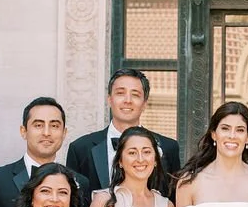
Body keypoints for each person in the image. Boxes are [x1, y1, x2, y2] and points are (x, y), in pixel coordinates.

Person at [0, 96, 91, 207]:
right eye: (38, 125)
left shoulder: (81, 183)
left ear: (64, 133)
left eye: (54, 126)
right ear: (24, 131)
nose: (46, 133)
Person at [68, 68, 181, 196]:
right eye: (120, 93)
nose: (128, 100)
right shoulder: (80, 149)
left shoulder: (168, 148)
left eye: (135, 94)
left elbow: (172, 199)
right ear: (109, 99)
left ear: (144, 103)